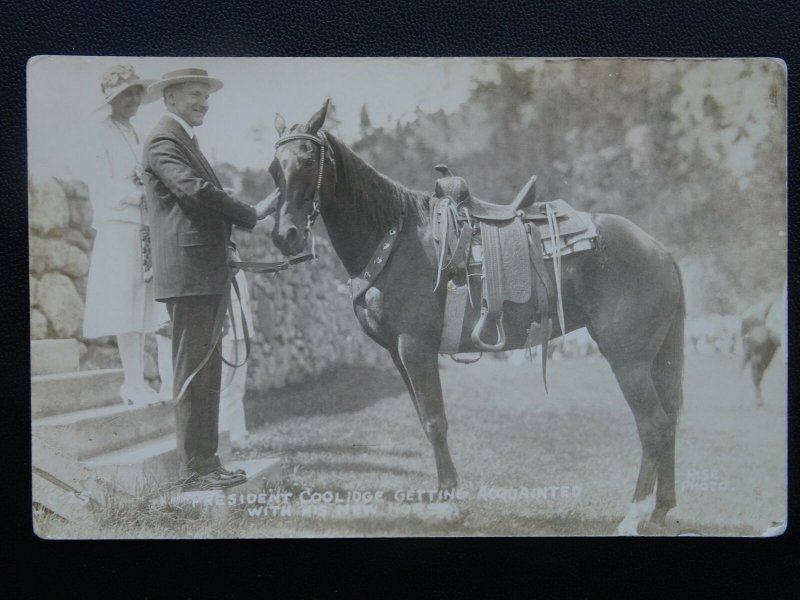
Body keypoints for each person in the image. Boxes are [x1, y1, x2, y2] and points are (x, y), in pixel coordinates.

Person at [142, 68, 278, 491]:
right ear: (170, 98)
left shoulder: (183, 139)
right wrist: (251, 214)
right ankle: (193, 470)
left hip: (203, 271)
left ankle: (207, 463)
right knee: (193, 372)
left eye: (206, 95)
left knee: (208, 373)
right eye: (195, 95)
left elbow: (198, 200)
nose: (204, 102)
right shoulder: (165, 140)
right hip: (189, 274)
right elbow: (196, 192)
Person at [83, 64, 162, 407]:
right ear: (112, 98)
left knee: (143, 303)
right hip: (118, 225)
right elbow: (100, 183)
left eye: (136, 92)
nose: (132, 99)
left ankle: (139, 382)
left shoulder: (136, 134)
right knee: (124, 302)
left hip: (143, 226)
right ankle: (131, 382)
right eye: (125, 93)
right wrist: (135, 193)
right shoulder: (100, 133)